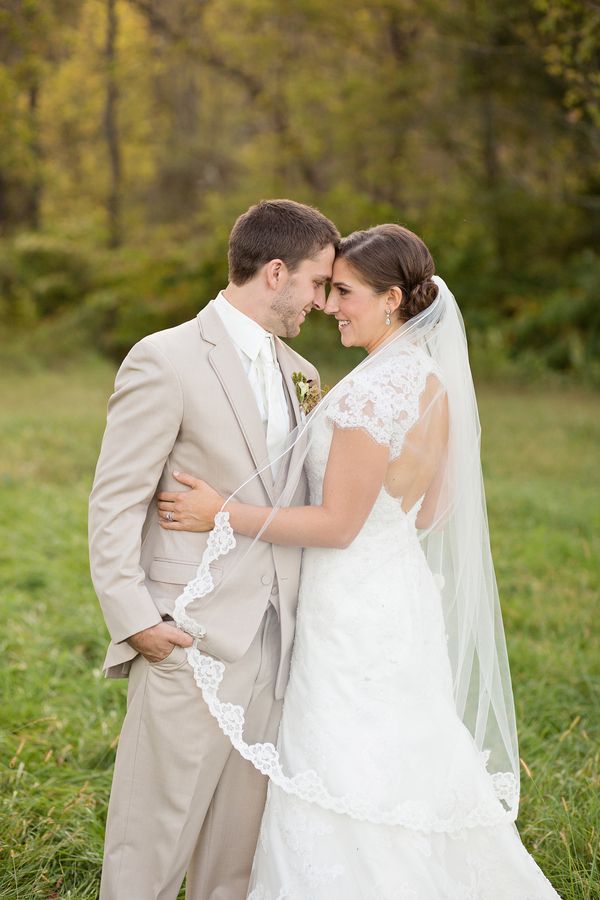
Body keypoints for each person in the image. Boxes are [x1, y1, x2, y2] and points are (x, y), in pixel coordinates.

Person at [157, 224, 561, 898]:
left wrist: (220, 512)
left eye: (343, 291)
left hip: (348, 602)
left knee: (344, 756)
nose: (329, 305)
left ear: (392, 298)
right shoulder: (431, 382)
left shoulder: (373, 391)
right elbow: (430, 513)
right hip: (400, 590)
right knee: (402, 752)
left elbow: (339, 525)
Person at [88, 198, 339, 900]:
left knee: (236, 857)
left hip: (275, 643)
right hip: (187, 635)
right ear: (277, 272)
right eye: (318, 284)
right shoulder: (164, 358)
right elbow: (115, 499)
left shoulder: (305, 374)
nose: (321, 301)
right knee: (151, 845)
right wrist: (139, 621)